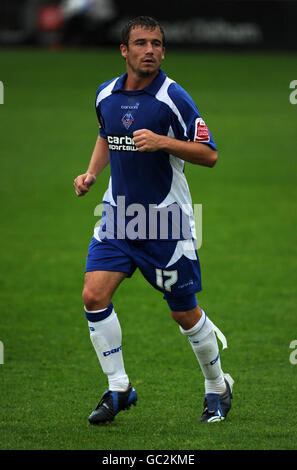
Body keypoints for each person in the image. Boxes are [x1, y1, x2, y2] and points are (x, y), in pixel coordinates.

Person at [73, 16, 234, 424]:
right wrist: (92, 173)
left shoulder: (173, 98)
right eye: (141, 43)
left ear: (164, 50)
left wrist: (163, 142)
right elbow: (106, 134)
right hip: (118, 217)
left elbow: (210, 154)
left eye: (157, 43)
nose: (150, 50)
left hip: (165, 223)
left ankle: (217, 386)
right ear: (124, 51)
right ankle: (119, 387)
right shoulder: (106, 94)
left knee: (183, 312)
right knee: (93, 296)